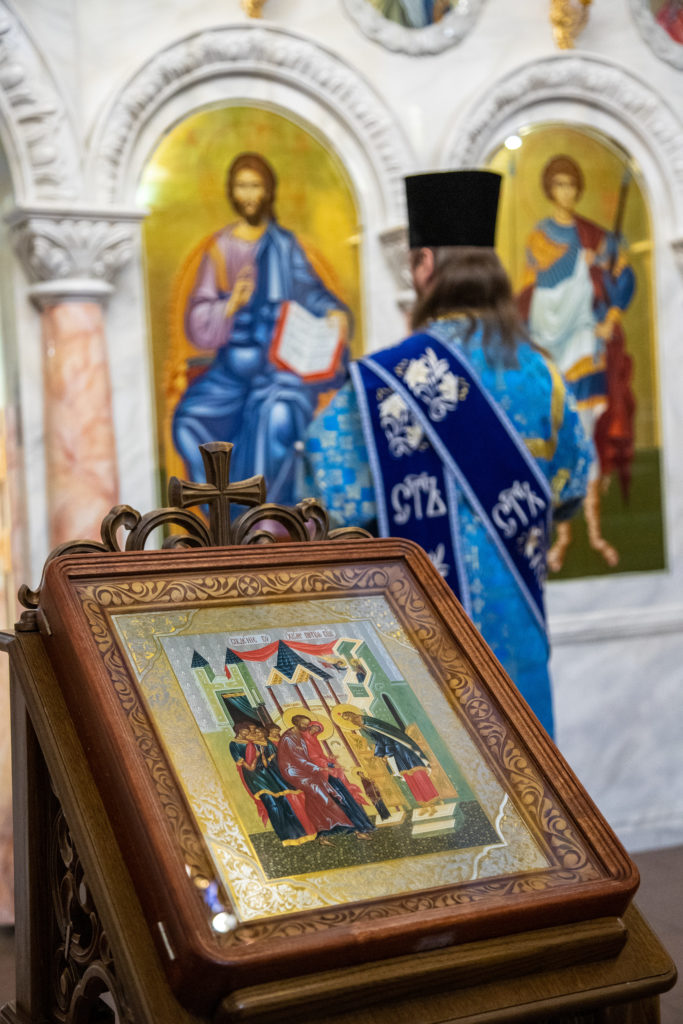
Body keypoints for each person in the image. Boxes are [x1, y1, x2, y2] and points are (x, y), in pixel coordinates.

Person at [302, 169, 593, 737]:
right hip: (517, 644)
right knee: (531, 777)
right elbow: (573, 486)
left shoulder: (376, 384)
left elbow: (329, 499)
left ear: (426, 264)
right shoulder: (543, 375)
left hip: (420, 642)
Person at [172, 151, 350, 505]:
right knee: (187, 421)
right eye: (242, 187)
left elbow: (311, 293)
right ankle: (223, 517)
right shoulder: (219, 250)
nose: (249, 195)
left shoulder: (283, 246)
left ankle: (267, 519)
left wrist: (334, 313)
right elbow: (197, 318)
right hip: (231, 373)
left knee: (277, 417)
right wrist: (230, 304)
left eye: (255, 186)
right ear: (231, 192)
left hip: (279, 369)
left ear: (268, 191)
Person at [519, 154, 636, 571]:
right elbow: (536, 289)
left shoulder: (594, 235)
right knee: (559, 440)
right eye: (559, 184)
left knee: (587, 437)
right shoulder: (540, 237)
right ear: (550, 189)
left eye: (571, 184)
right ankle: (563, 536)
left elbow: (623, 276)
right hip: (552, 349)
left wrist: (612, 316)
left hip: (587, 347)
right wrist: (576, 262)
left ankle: (596, 533)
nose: (566, 192)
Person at [277, 714, 374, 843]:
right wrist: (326, 766)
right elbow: (302, 759)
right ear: (296, 722)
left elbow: (316, 756)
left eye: (315, 728)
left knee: (331, 799)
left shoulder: (306, 738)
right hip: (305, 773)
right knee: (330, 799)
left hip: (317, 772)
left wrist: (329, 761)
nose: (310, 729)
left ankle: (349, 830)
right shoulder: (292, 738)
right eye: (310, 727)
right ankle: (348, 830)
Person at [339, 710, 440, 807]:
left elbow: (387, 738)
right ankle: (422, 802)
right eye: (351, 722)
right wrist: (379, 755)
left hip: (401, 748)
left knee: (416, 771)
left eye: (353, 720)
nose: (354, 723)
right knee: (407, 775)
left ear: (355, 716)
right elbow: (379, 741)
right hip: (395, 752)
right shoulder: (364, 727)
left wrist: (387, 753)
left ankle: (432, 798)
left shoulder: (370, 723)